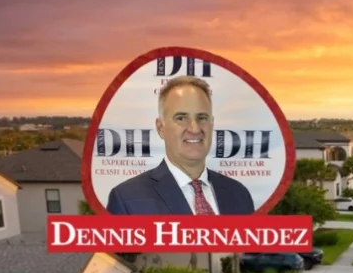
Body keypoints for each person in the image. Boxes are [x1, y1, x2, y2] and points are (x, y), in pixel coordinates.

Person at [106, 75, 255, 215]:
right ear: (160, 127)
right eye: (181, 118)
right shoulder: (127, 199)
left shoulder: (239, 194)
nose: (195, 129)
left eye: (202, 117)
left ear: (212, 123)